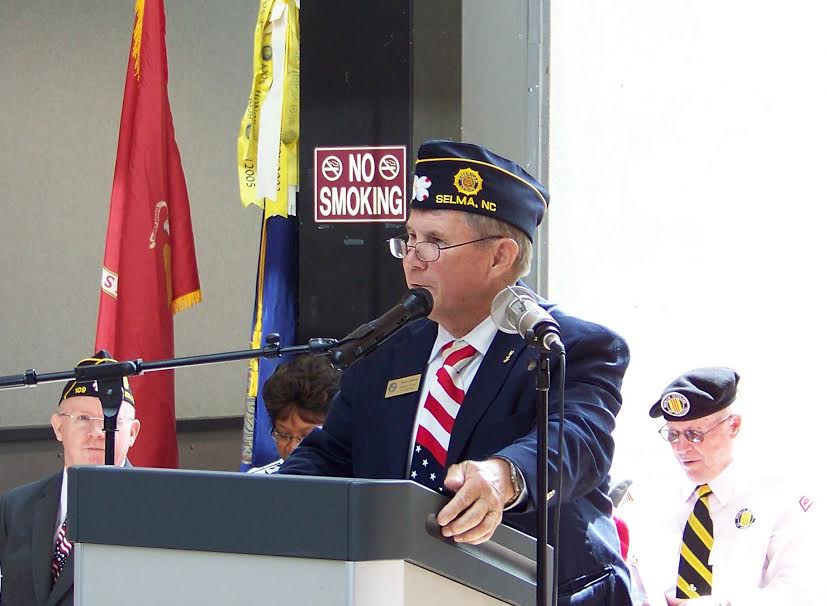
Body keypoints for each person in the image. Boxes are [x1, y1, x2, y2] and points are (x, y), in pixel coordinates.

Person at [279, 140, 633, 605]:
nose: (413, 257)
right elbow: (331, 457)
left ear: (500, 257)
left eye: (436, 242)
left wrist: (504, 476)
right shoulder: (386, 350)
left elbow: (576, 441)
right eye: (409, 238)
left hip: (539, 591)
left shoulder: (567, 346)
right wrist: (268, 504)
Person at [624, 367, 819, 606]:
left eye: (695, 434)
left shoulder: (780, 495)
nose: (681, 448)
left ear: (733, 425)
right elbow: (632, 585)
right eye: (673, 434)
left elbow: (801, 593)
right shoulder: (646, 498)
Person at [0, 351, 140, 606]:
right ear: (58, 427)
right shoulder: (16, 507)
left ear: (132, 433)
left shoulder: (154, 507)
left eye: (112, 421)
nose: (98, 432)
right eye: (83, 419)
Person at [248, 354, 340, 474]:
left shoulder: (361, 480)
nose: (292, 448)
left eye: (306, 437)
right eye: (283, 435)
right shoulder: (257, 481)